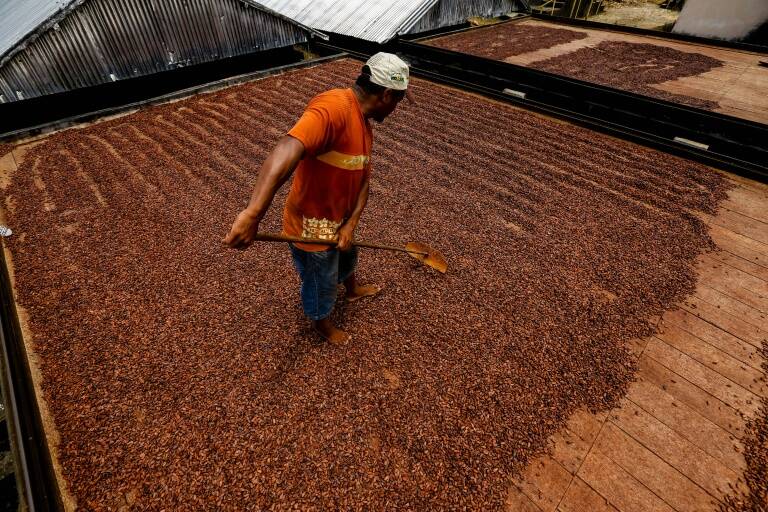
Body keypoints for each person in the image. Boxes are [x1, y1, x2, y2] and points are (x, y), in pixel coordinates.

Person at [223, 53, 411, 345]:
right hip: (312, 225)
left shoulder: (364, 122)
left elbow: (363, 181)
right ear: (387, 94)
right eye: (399, 100)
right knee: (320, 277)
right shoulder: (333, 108)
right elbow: (287, 147)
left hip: (340, 220)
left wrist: (350, 226)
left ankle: (351, 288)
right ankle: (321, 322)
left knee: (348, 253)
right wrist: (252, 215)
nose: (397, 108)